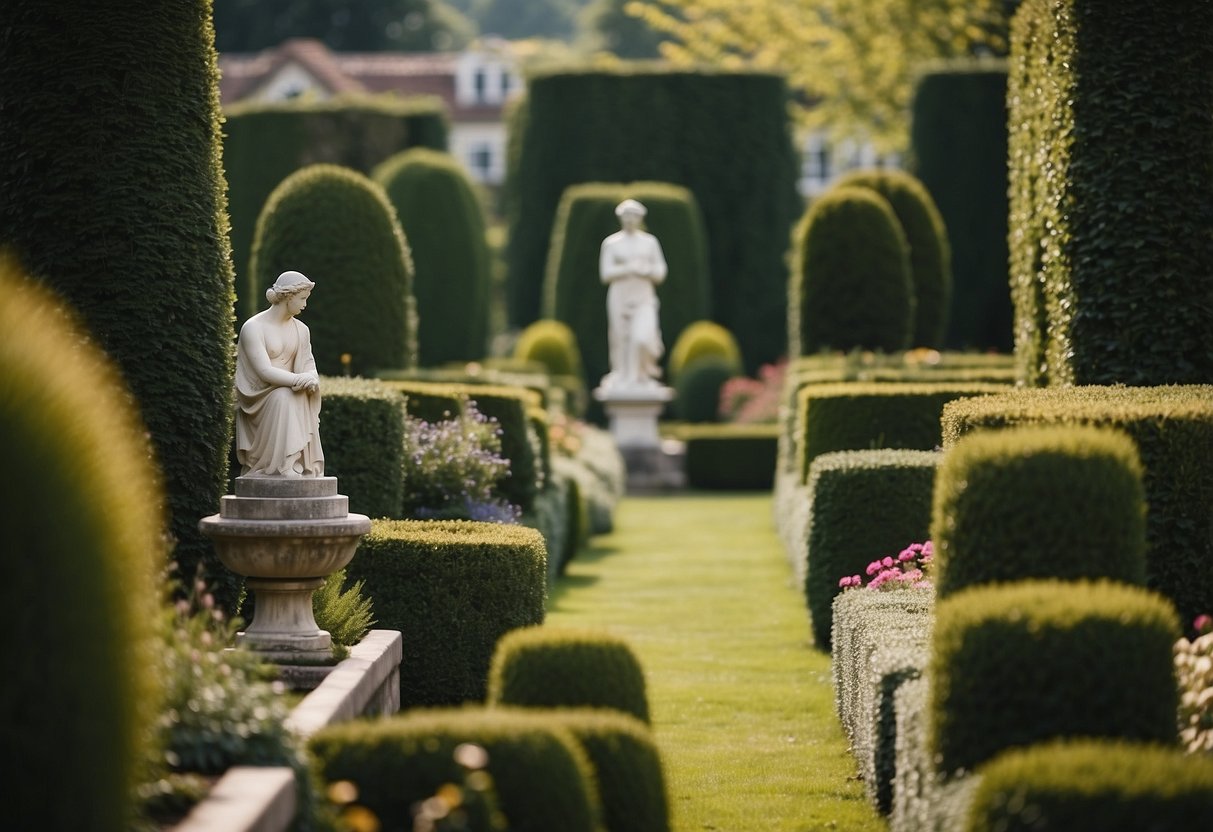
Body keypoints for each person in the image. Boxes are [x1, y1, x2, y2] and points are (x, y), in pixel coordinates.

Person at [235, 270, 324, 477]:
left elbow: (309, 365)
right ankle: (283, 466)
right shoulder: (253, 328)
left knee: (294, 394)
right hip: (261, 395)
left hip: (291, 389)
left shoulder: (302, 330)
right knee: (285, 396)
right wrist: (297, 379)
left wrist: (311, 379)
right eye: (302, 299)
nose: (305, 305)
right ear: (288, 296)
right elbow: (264, 371)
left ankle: (296, 465)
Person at [599, 198, 668, 389]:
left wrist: (646, 271)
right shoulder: (611, 243)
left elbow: (661, 271)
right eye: (626, 215)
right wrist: (629, 268)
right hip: (619, 296)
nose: (630, 219)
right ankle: (623, 376)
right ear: (620, 217)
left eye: (634, 215)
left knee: (642, 337)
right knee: (620, 338)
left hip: (643, 297)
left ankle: (642, 375)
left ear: (640, 217)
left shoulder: (650, 242)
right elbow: (605, 274)